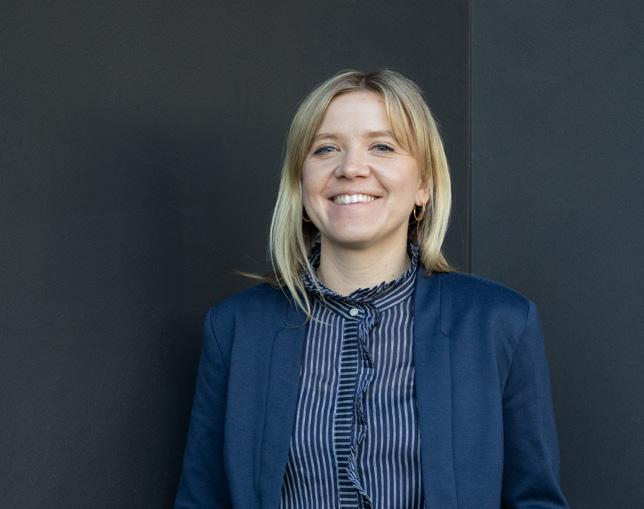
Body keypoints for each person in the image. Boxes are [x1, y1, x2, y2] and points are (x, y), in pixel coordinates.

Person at [174, 69, 569, 509]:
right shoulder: (235, 328)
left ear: (424, 185)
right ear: (301, 183)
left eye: (382, 146)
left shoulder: (499, 323)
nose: (351, 168)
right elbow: (201, 499)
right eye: (326, 149)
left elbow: (535, 500)